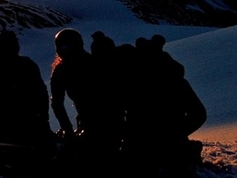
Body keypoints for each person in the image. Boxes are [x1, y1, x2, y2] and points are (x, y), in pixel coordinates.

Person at [123, 34, 207, 166]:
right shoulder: (175, 79)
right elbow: (199, 114)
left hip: (144, 146)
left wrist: (173, 134)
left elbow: (199, 114)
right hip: (150, 145)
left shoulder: (132, 81)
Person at [50, 29, 124, 152]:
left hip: (100, 123)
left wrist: (68, 131)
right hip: (109, 122)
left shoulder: (63, 69)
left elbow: (57, 104)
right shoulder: (93, 62)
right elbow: (57, 104)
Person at [0, 30, 52, 144]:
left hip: (32, 124)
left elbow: (41, 94)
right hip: (6, 128)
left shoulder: (27, 65)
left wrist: (42, 120)